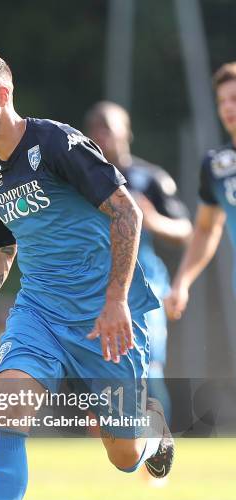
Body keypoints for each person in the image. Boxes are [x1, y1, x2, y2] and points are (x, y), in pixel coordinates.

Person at [0, 53, 174, 500]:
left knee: (123, 455)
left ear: (3, 94)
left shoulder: (57, 143)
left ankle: (151, 431)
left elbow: (127, 213)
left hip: (104, 316)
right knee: (10, 405)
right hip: (38, 311)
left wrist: (116, 300)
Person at [84, 101, 192, 426]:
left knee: (150, 365)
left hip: (145, 286)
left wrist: (153, 220)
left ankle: (157, 450)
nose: (104, 135)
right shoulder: (81, 180)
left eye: (110, 128)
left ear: (126, 132)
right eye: (97, 129)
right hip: (96, 286)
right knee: (99, 366)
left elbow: (186, 229)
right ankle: (111, 447)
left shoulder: (150, 178)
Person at [165, 62, 236, 320]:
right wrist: (182, 282)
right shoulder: (217, 166)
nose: (227, 107)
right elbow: (207, 228)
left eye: (234, 99)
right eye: (222, 101)